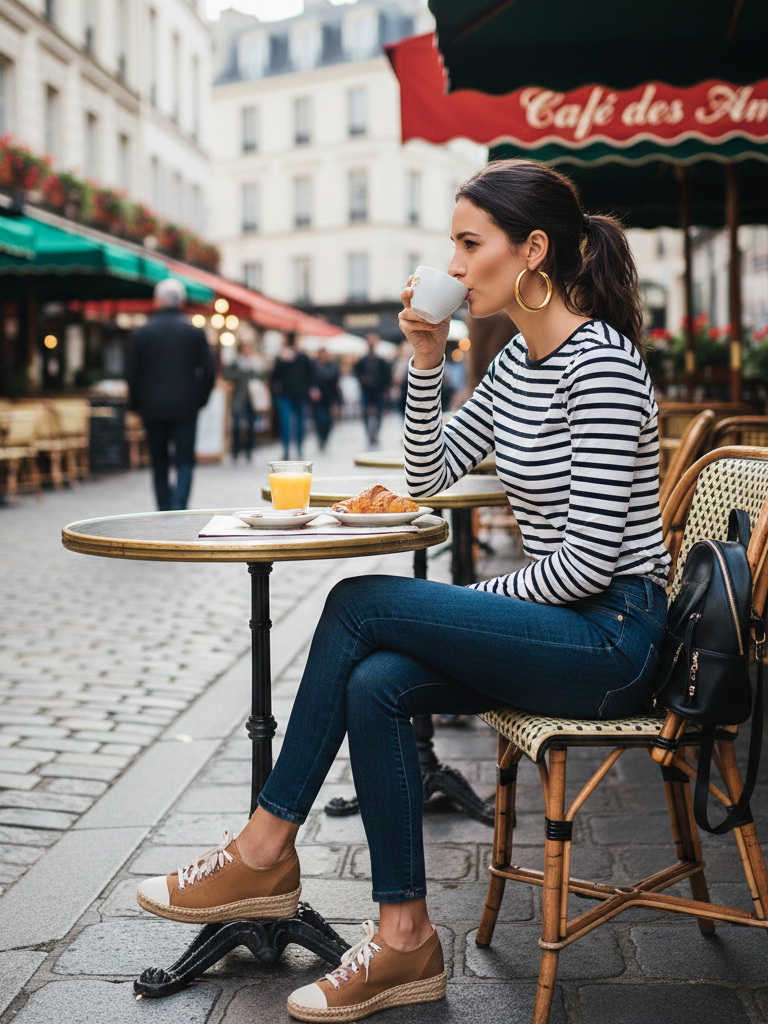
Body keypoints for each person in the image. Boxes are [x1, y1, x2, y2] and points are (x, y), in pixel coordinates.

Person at [135, 159, 670, 1021]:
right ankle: (404, 944)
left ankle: (263, 851)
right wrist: (427, 359)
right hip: (560, 629)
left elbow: (588, 568)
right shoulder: (516, 366)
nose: (453, 268)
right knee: (375, 681)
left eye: (469, 245)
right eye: (451, 247)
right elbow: (426, 473)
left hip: (616, 639)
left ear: (533, 251)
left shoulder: (600, 365)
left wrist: (460, 608)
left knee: (362, 603)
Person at [126, 279, 215, 511]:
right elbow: (209, 371)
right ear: (181, 302)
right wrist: (200, 399)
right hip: (186, 406)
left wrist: (136, 404)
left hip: (152, 407)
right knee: (185, 459)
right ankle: (179, 505)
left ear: (157, 301)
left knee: (159, 461)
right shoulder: (193, 332)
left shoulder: (142, 332)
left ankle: (164, 509)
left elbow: (132, 374)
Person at [270, 333, 315, 459]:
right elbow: (274, 376)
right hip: (285, 395)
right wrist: (282, 361)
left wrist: (311, 388)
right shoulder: (281, 357)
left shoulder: (303, 357)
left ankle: (300, 448)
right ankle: (286, 450)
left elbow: (311, 373)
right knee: (285, 422)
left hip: (300, 394)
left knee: (300, 423)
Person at [224, 340, 259, 462]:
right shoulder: (235, 363)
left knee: (250, 425)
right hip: (238, 398)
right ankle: (235, 450)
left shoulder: (253, 363)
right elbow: (228, 376)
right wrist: (244, 372)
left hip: (251, 399)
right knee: (237, 425)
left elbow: (261, 377)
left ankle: (249, 450)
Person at [354, 332, 392, 446]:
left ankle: (375, 434)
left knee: (379, 414)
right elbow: (357, 373)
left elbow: (387, 376)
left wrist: (386, 389)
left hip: (378, 390)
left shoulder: (381, 361)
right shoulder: (362, 360)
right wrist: (362, 380)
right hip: (366, 391)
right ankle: (369, 434)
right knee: (366, 413)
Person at [309, 347, 341, 450]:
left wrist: (338, 401)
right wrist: (312, 389)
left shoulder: (332, 368)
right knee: (319, 420)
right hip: (317, 400)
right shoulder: (314, 367)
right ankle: (320, 438)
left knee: (328, 421)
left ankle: (325, 438)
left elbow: (336, 385)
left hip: (329, 399)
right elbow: (309, 381)